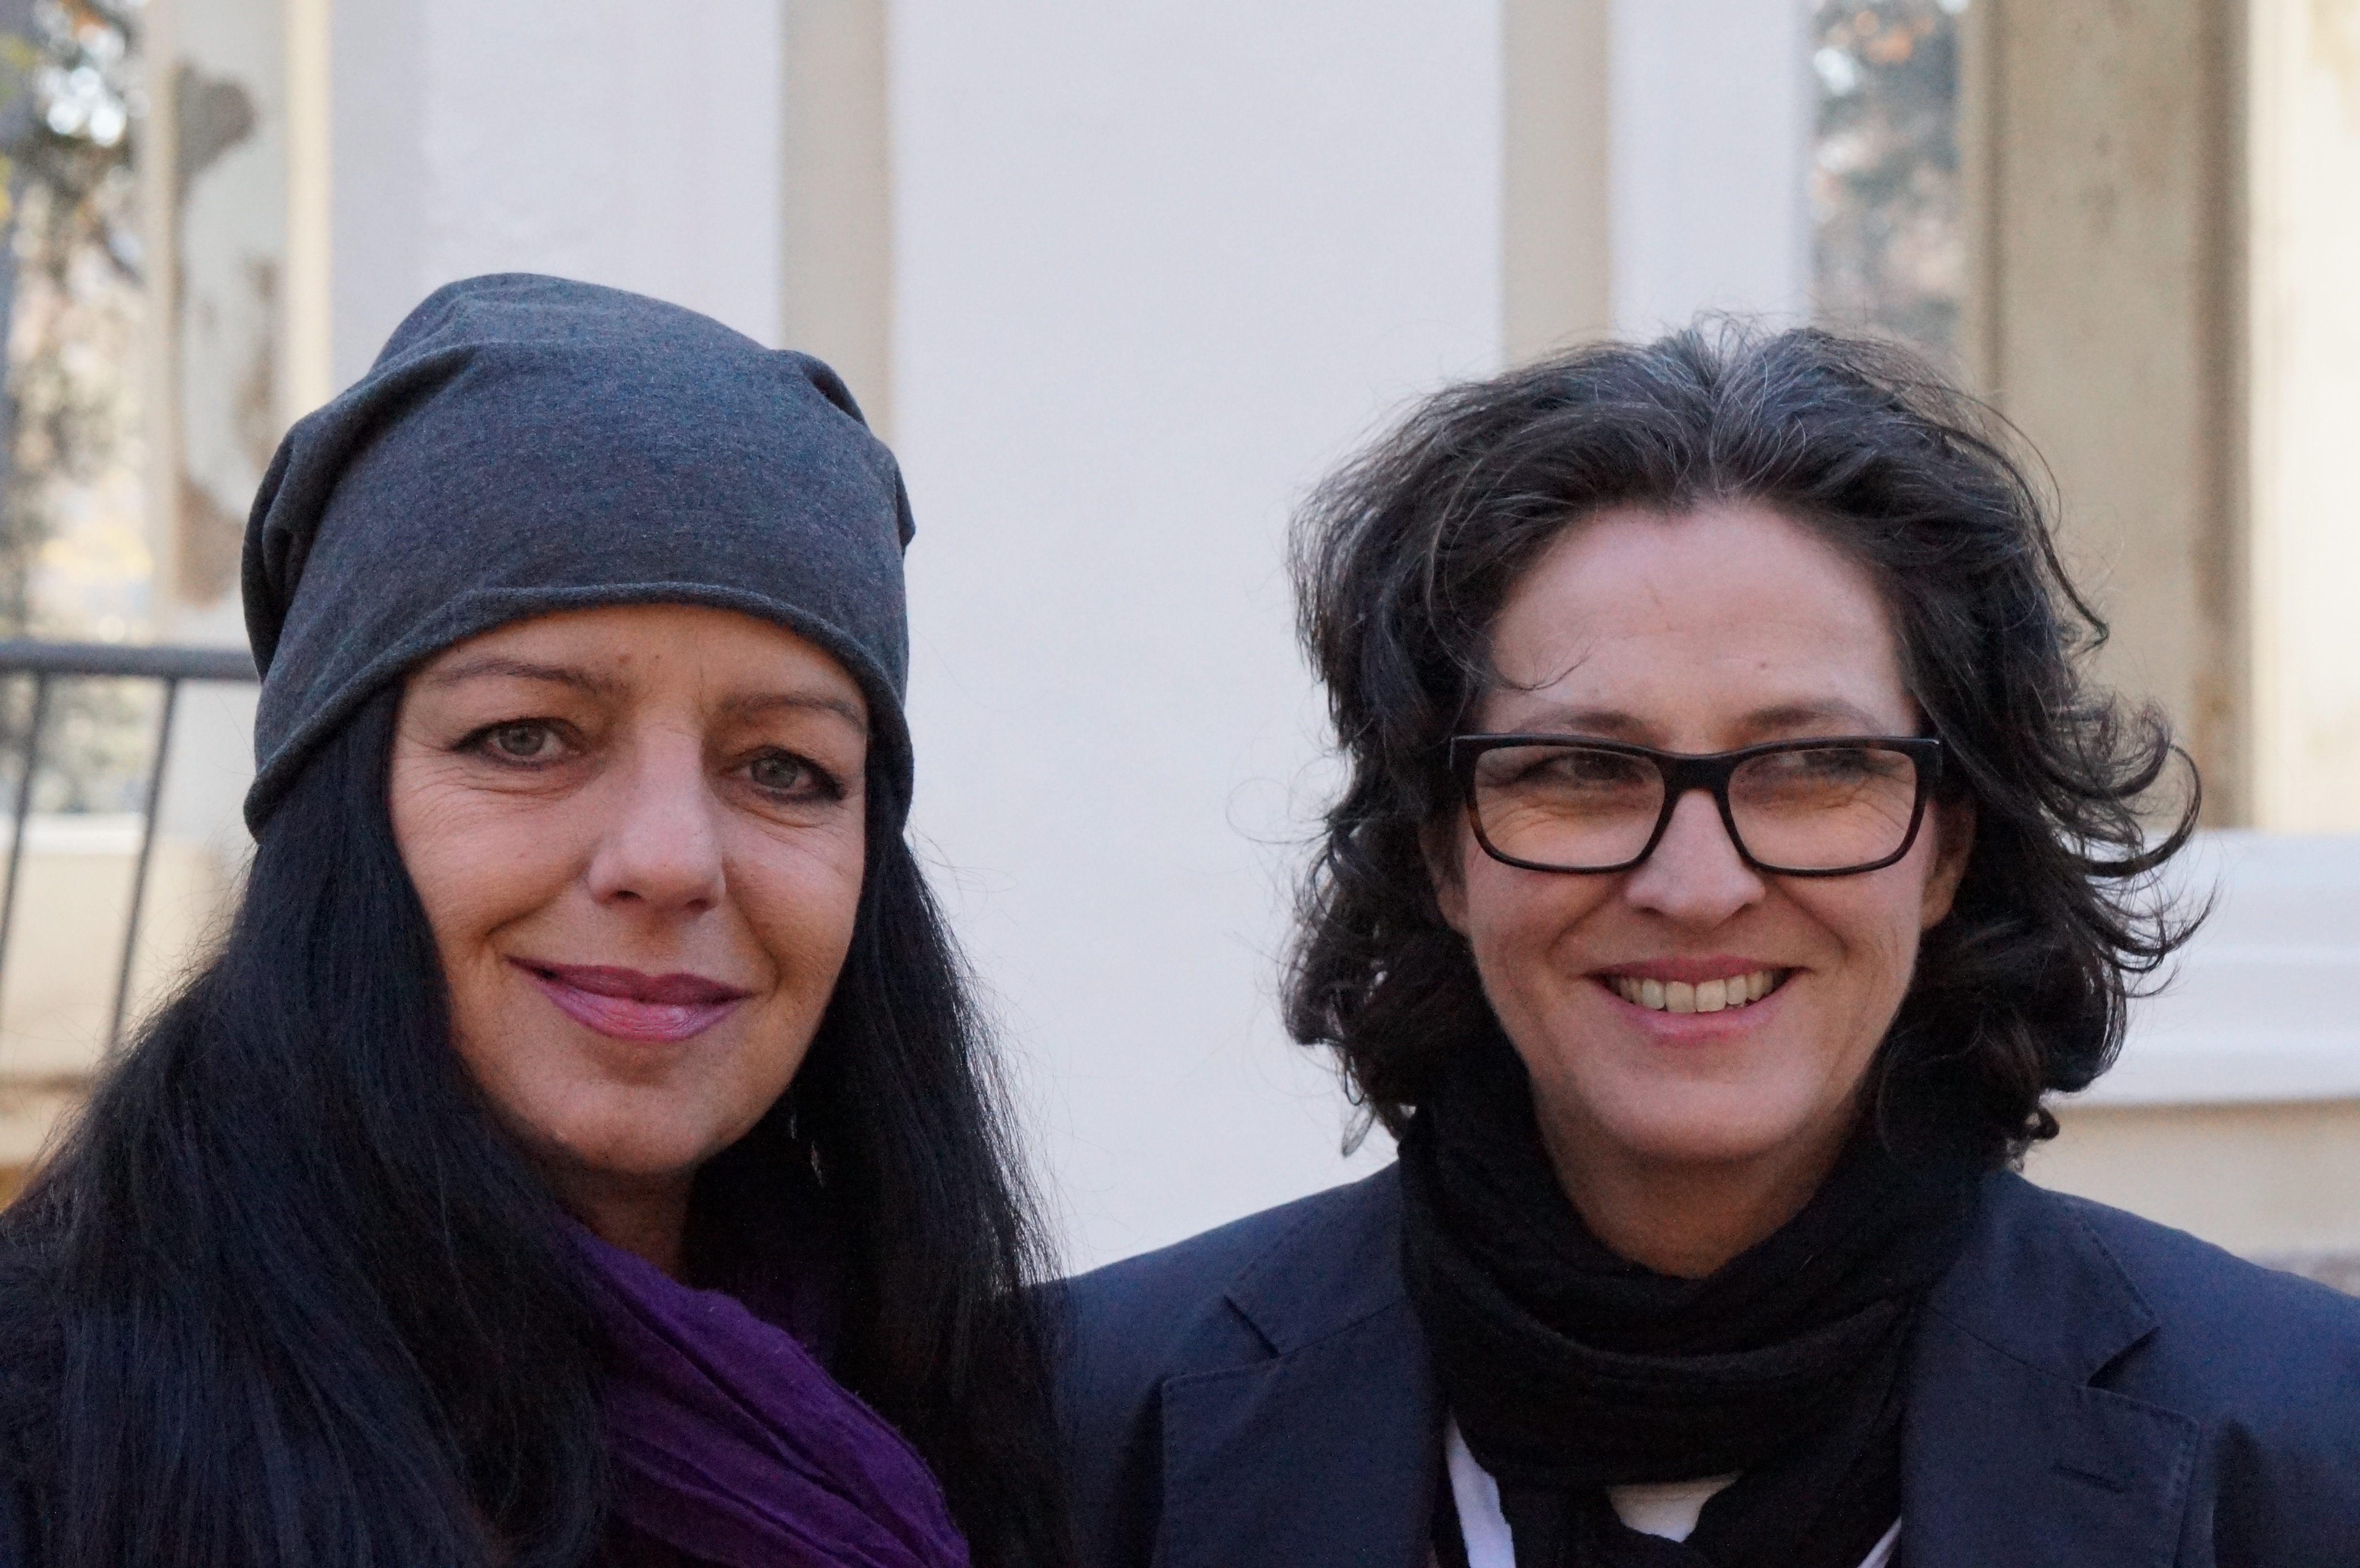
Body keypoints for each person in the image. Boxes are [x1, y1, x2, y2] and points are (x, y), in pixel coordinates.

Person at [1054, 326, 2360, 1568]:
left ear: (1949, 849)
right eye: (1579, 771)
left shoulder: (2311, 1445)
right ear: (1441, 853)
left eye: (1814, 766)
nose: (1696, 886)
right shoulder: (1072, 1433)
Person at [0, 276, 1071, 1568]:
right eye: (526, 737)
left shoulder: (1014, 1432)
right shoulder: (53, 1442)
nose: (670, 861)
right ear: (337, 808)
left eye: (783, 767)